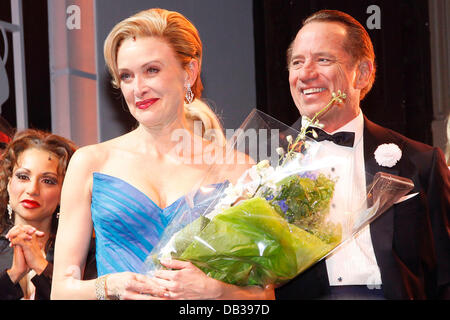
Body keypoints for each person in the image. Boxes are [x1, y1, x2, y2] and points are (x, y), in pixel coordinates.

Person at [51, 8, 273, 300]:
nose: (138, 88)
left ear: (188, 72)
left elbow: (264, 297)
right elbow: (61, 292)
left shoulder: (238, 169)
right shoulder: (91, 162)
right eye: (127, 76)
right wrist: (110, 287)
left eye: (152, 70)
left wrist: (214, 291)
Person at [274, 9, 450, 300]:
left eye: (323, 59)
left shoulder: (420, 161)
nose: (305, 73)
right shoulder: (266, 162)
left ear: (363, 73)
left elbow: (445, 275)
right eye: (297, 62)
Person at [0, 129, 96, 300]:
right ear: (8, 184)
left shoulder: (87, 253)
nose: (32, 190)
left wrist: (42, 267)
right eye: (23, 177)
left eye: (48, 181)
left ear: (63, 192)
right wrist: (13, 275)